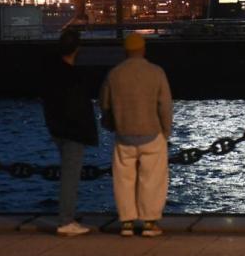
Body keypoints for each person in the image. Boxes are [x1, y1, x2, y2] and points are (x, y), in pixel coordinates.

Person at [99, 33, 173, 238]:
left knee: (123, 180)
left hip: (124, 135)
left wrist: (111, 125)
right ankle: (149, 223)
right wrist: (165, 132)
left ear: (125, 51)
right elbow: (165, 106)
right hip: (152, 133)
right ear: (143, 50)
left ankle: (127, 223)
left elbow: (104, 105)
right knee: (153, 179)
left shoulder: (114, 74)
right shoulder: (156, 72)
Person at [39, 28, 99, 237]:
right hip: (73, 131)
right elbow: (79, 108)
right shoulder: (74, 77)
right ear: (77, 49)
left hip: (57, 129)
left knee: (68, 173)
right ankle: (66, 220)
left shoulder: (51, 72)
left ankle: (69, 213)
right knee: (70, 176)